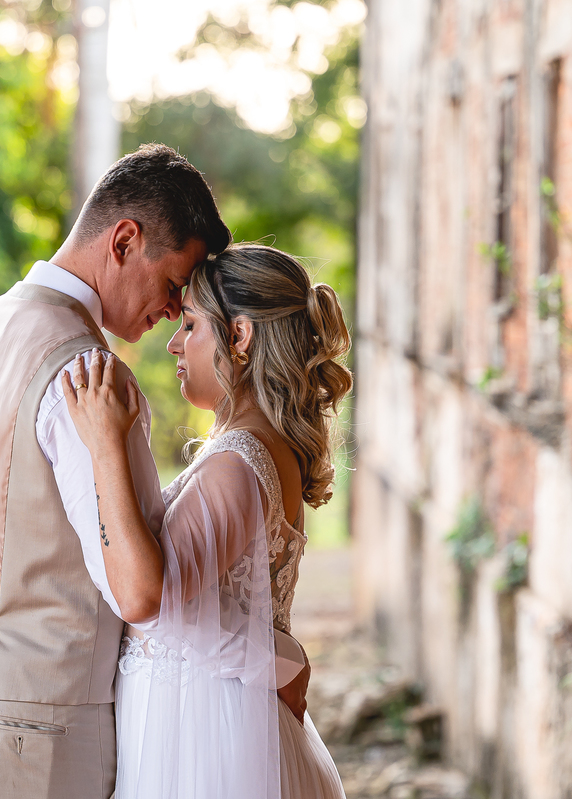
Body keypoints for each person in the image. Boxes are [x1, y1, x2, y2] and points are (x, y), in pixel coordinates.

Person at [0, 144, 245, 799]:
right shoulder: (89, 378)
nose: (175, 310)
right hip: (39, 726)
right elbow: (136, 589)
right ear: (124, 240)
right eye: (174, 284)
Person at [64, 243, 350, 798]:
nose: (174, 342)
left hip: (202, 736)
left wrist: (105, 448)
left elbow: (150, 599)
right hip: (219, 719)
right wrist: (281, 660)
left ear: (238, 337)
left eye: (191, 324)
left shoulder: (238, 462)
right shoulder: (261, 449)